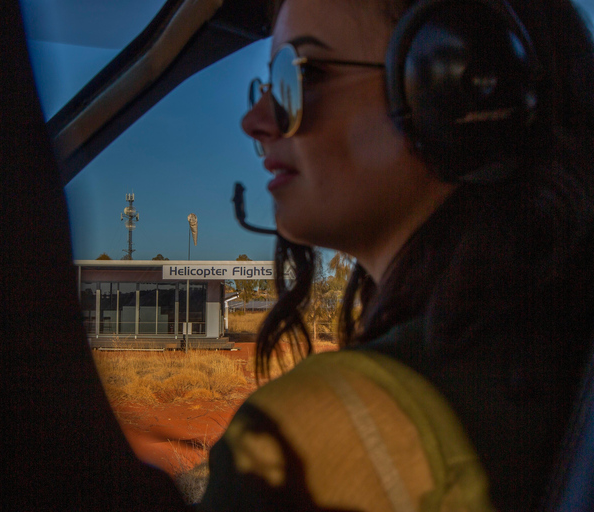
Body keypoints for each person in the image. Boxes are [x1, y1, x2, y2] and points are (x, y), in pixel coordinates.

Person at [205, 0, 594, 510]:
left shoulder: (314, 441)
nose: (255, 119)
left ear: (453, 89)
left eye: (302, 75)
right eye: (269, 83)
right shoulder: (560, 350)